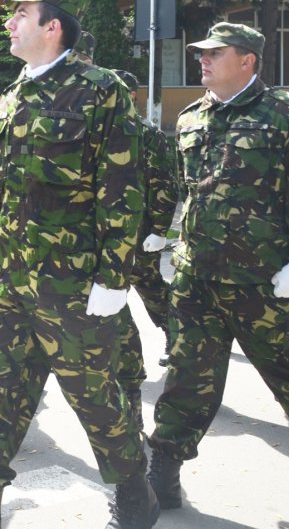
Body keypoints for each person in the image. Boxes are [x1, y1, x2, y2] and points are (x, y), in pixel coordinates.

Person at [0, 0, 154, 529]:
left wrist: (114, 280)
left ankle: (135, 495)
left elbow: (123, 191)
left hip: (73, 285)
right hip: (10, 277)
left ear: (53, 25)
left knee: (94, 398)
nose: (10, 22)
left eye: (21, 13)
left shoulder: (99, 89)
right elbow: (6, 182)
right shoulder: (14, 92)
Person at [148, 22, 289, 510]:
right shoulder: (191, 119)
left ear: (248, 60)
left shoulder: (286, 115)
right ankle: (160, 479)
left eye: (215, 53)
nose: (203, 60)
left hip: (266, 283)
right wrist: (171, 244)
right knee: (185, 381)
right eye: (201, 54)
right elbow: (187, 192)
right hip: (198, 281)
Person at [113, 69, 178, 367]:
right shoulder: (99, 133)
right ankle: (116, 353)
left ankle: (176, 336)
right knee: (109, 291)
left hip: (141, 230)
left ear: (133, 95)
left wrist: (160, 230)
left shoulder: (147, 134)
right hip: (107, 231)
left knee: (149, 285)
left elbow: (164, 184)